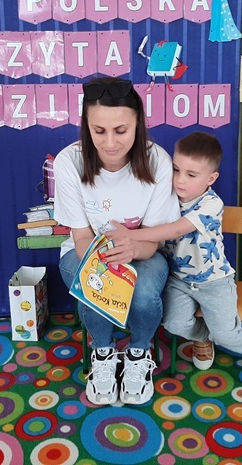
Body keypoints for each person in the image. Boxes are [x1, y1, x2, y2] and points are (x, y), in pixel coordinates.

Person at [106, 131, 242, 377]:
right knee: (173, 323)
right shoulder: (165, 198)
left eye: (191, 175)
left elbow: (175, 229)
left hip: (214, 281)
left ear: (211, 178)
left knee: (226, 334)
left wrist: (132, 235)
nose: (179, 180)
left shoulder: (211, 204)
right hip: (179, 280)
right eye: (176, 170)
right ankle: (203, 337)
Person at [54, 76, 180, 406]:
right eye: (99, 131)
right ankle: (103, 352)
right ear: (86, 127)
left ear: (138, 124)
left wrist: (133, 247)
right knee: (92, 284)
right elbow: (82, 236)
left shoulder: (158, 161)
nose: (110, 143)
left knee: (142, 293)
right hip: (87, 251)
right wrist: (105, 264)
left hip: (144, 250)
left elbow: (153, 240)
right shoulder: (69, 162)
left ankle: (139, 352)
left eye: (121, 130)